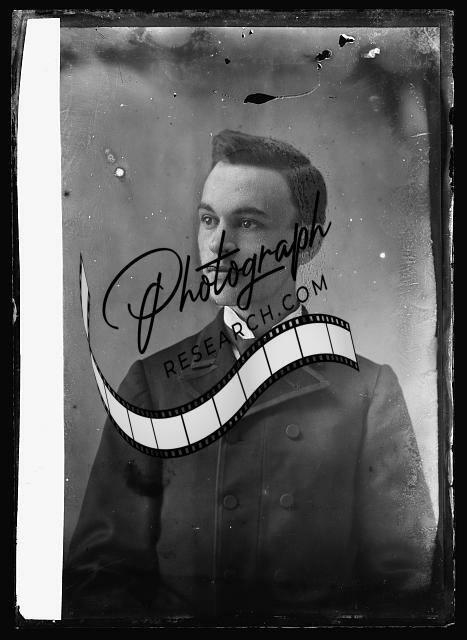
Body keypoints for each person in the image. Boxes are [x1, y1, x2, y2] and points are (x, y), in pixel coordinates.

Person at [62, 130, 436, 621]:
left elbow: (408, 586)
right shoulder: (154, 385)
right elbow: (99, 576)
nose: (218, 245)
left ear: (307, 244)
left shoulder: (367, 393)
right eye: (208, 220)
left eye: (247, 223)